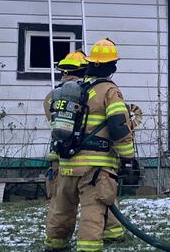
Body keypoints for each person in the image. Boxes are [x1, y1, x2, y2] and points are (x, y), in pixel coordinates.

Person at [44, 39, 136, 251]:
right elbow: (119, 126)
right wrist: (128, 158)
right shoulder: (108, 91)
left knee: (62, 206)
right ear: (112, 67)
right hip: (95, 166)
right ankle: (88, 247)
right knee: (93, 208)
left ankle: (55, 243)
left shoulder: (74, 89)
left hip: (67, 162)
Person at [43, 51, 88, 200]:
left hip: (58, 155)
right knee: (92, 203)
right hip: (84, 157)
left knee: (59, 204)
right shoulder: (88, 93)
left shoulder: (53, 96)